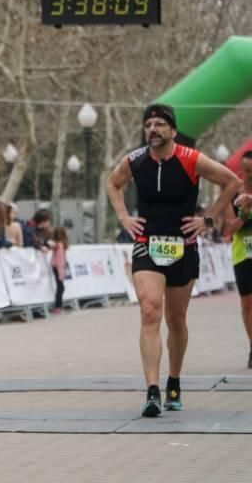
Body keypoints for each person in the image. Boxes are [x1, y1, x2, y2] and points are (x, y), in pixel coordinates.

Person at [106, 103, 240, 417]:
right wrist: (125, 217)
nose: (152, 129)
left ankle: (174, 381)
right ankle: (152, 390)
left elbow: (232, 182)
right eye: (148, 124)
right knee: (150, 310)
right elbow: (113, 184)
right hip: (146, 242)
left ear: (173, 130)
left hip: (183, 245)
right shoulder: (135, 161)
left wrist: (207, 220)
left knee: (176, 320)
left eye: (159, 124)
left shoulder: (191, 159)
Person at [222, 151, 252, 368]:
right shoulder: (232, 194)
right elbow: (229, 230)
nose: (249, 175)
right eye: (246, 171)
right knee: (248, 304)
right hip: (243, 255)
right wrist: (244, 212)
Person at [49, 226, 69, 315]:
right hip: (58, 267)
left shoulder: (57, 245)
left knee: (60, 287)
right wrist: (61, 272)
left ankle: (58, 306)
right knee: (61, 287)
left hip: (55, 266)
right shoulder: (60, 245)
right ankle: (58, 306)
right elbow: (60, 260)